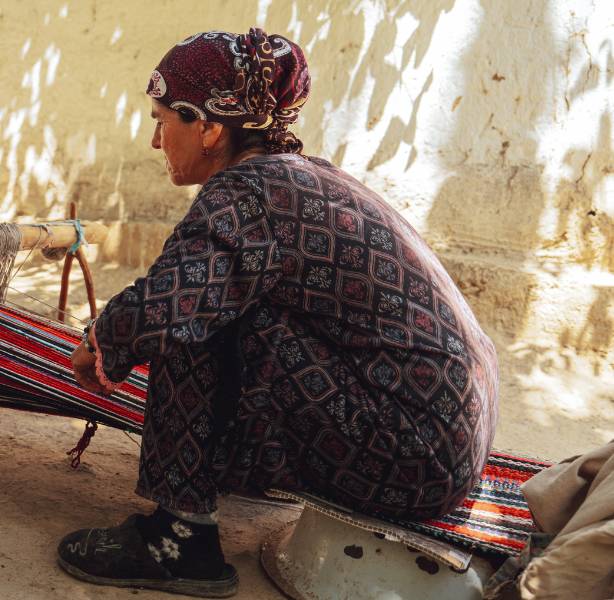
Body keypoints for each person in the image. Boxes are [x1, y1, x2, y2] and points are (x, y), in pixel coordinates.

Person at [59, 28, 499, 598]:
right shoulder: (308, 178)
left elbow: (168, 304)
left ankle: (178, 540)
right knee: (220, 296)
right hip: (449, 440)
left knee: (197, 312)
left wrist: (102, 341)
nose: (154, 140)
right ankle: (215, 492)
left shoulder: (247, 193)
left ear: (209, 127)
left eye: (162, 119)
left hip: (410, 457)